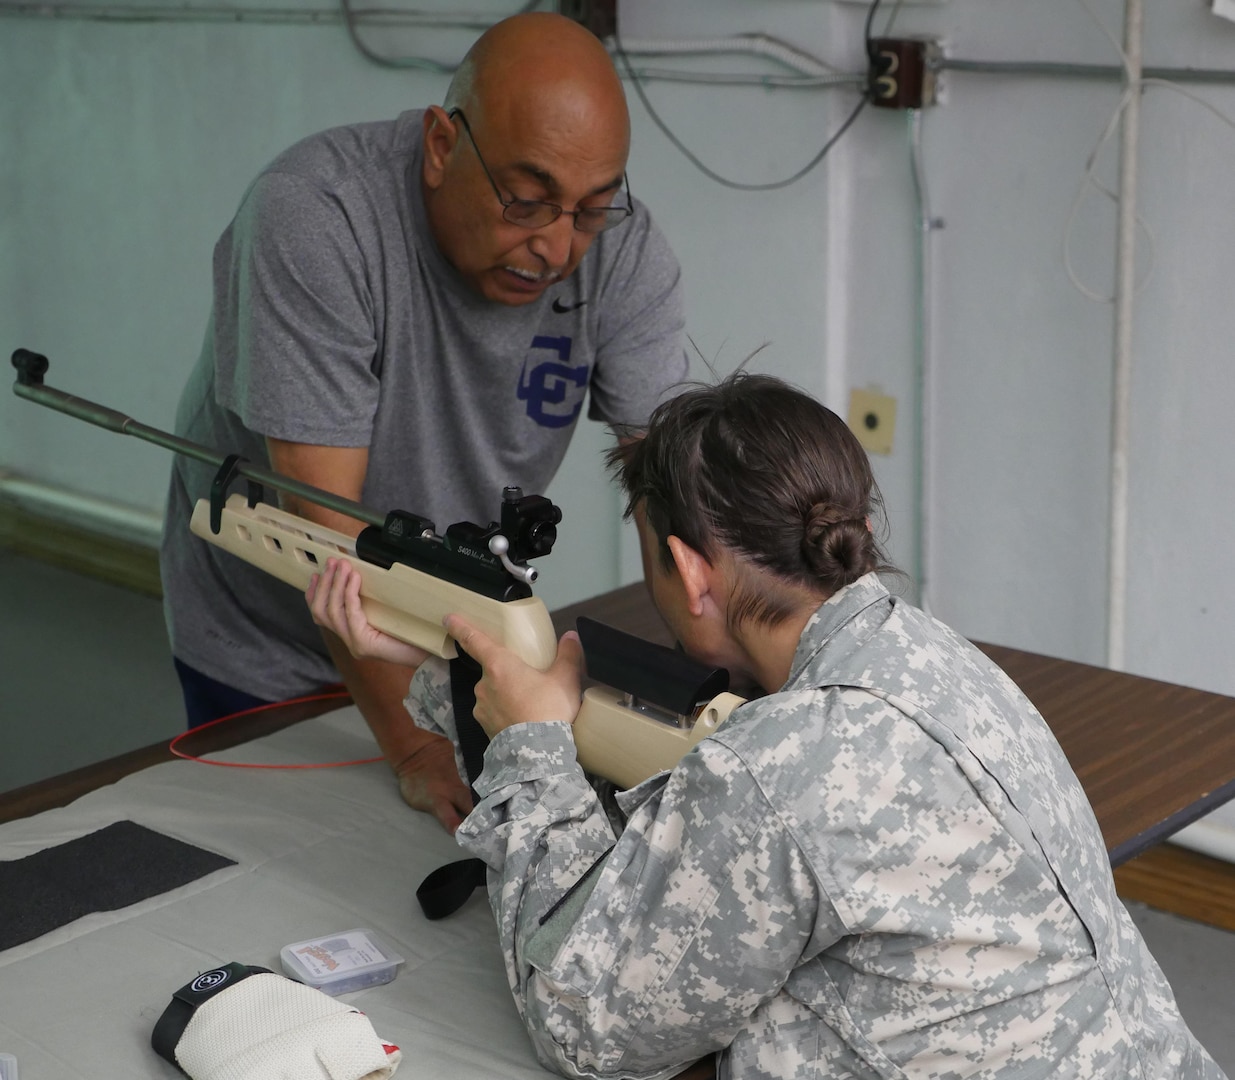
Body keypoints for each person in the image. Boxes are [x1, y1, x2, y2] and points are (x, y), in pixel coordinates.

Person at [310, 371, 1226, 1080]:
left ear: (689, 570)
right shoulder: (935, 656)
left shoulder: (778, 767)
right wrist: (448, 673)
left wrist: (530, 749)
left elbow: (583, 1023)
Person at [159, 10, 687, 834]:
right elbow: (325, 539)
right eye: (526, 201)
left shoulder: (620, 246)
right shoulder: (317, 217)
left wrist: (716, 674)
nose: (557, 248)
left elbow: (670, 488)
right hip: (272, 634)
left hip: (451, 631)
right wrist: (413, 747)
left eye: (589, 210)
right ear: (442, 146)